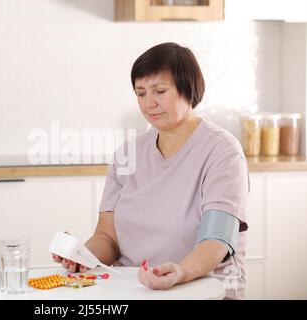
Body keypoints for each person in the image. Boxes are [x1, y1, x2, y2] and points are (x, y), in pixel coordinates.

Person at [52, 42, 249, 300]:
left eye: (159, 91)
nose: (149, 103)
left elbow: (216, 242)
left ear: (188, 89)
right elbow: (107, 238)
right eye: (141, 93)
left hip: (202, 289)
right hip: (134, 290)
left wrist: (180, 272)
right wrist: (82, 257)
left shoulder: (222, 152)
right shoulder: (127, 154)